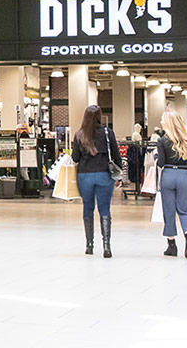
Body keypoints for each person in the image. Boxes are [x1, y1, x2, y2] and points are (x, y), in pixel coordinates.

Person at [70, 105, 121, 258]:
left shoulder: (79, 134)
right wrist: (118, 176)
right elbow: (116, 156)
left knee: (88, 207)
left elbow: (75, 158)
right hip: (104, 175)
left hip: (84, 176)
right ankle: (106, 246)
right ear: (100, 116)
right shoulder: (107, 133)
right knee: (104, 209)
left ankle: (89, 245)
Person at [157, 109, 187, 258]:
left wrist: (156, 156)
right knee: (185, 209)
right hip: (184, 175)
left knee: (169, 210)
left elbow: (161, 163)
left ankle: (171, 245)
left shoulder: (162, 140)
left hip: (168, 175)